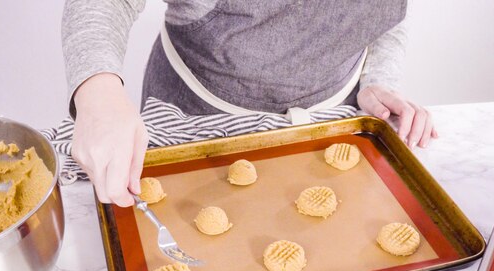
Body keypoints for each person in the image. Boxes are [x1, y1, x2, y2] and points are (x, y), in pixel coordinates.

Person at [62, 0, 437, 207]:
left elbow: (384, 13)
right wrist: (98, 95)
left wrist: (380, 80)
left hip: (335, 122)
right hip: (196, 118)